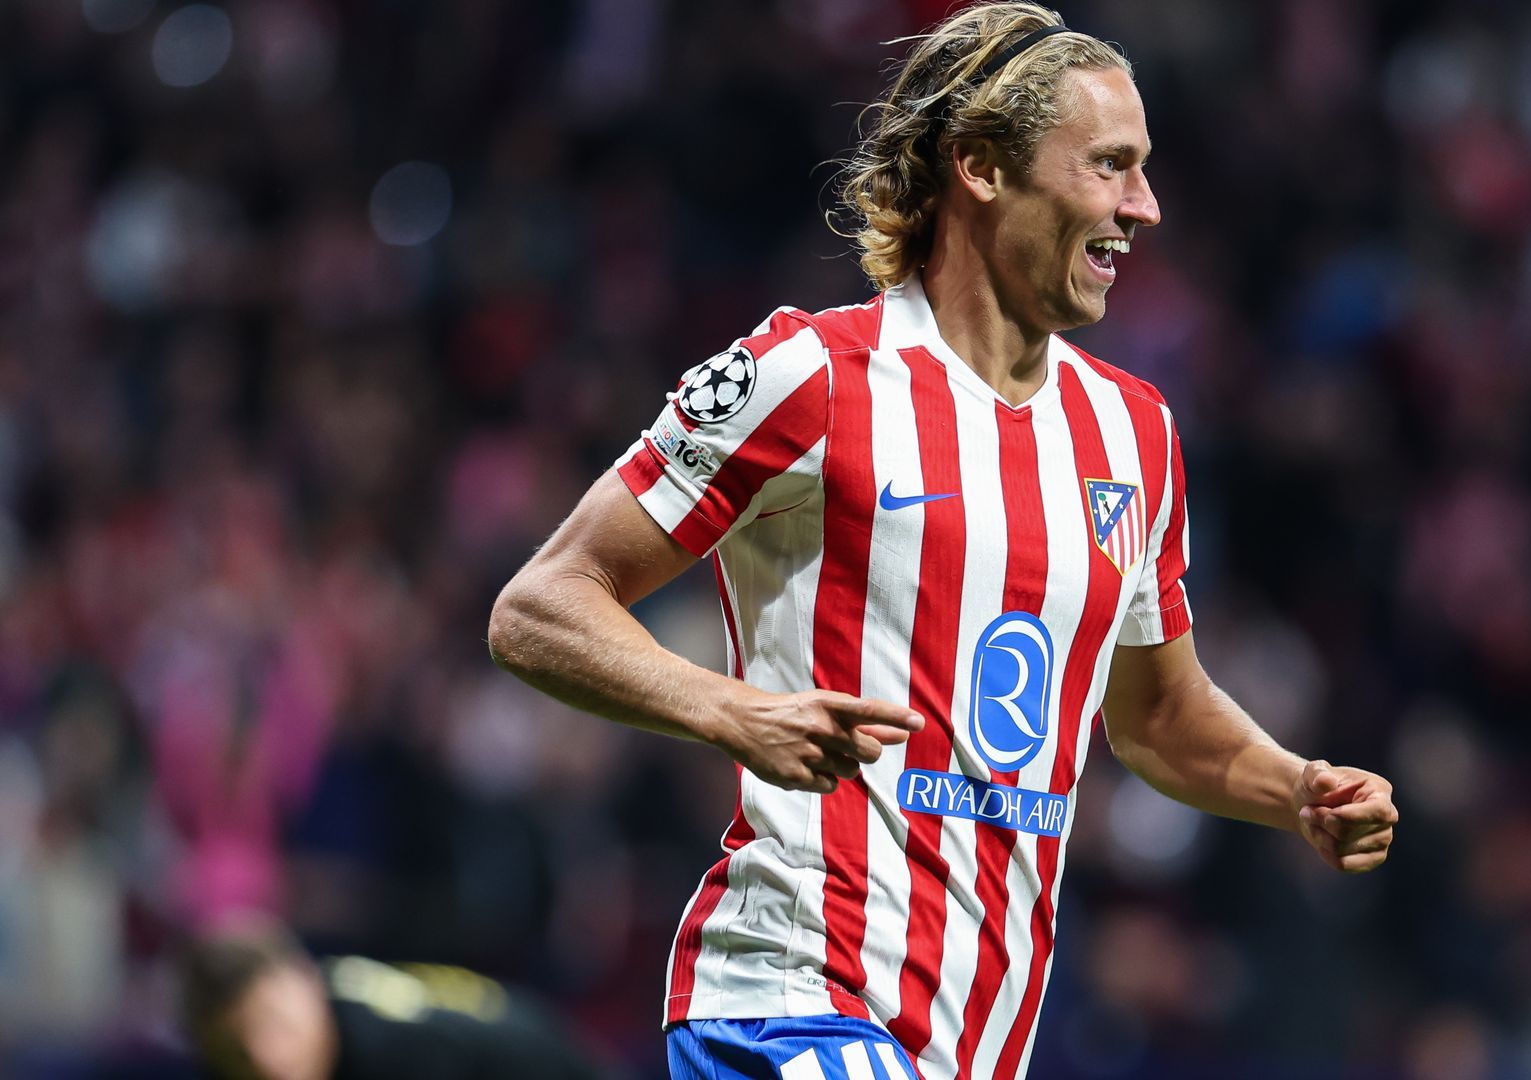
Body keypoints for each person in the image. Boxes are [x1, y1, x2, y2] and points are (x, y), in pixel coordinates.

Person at [487, 4, 1399, 1078]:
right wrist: (732, 710)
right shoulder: (810, 376)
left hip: (974, 1043)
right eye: (1109, 166)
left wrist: (1292, 789)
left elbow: (1157, 714)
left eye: (1144, 170)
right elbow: (539, 607)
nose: (1143, 207)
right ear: (978, 166)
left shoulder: (1135, 434)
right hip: (788, 998)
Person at [179, 917, 599, 1080]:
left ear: (304, 981)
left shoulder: (391, 1050)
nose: (265, 1058)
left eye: (271, 1023)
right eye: (237, 1051)